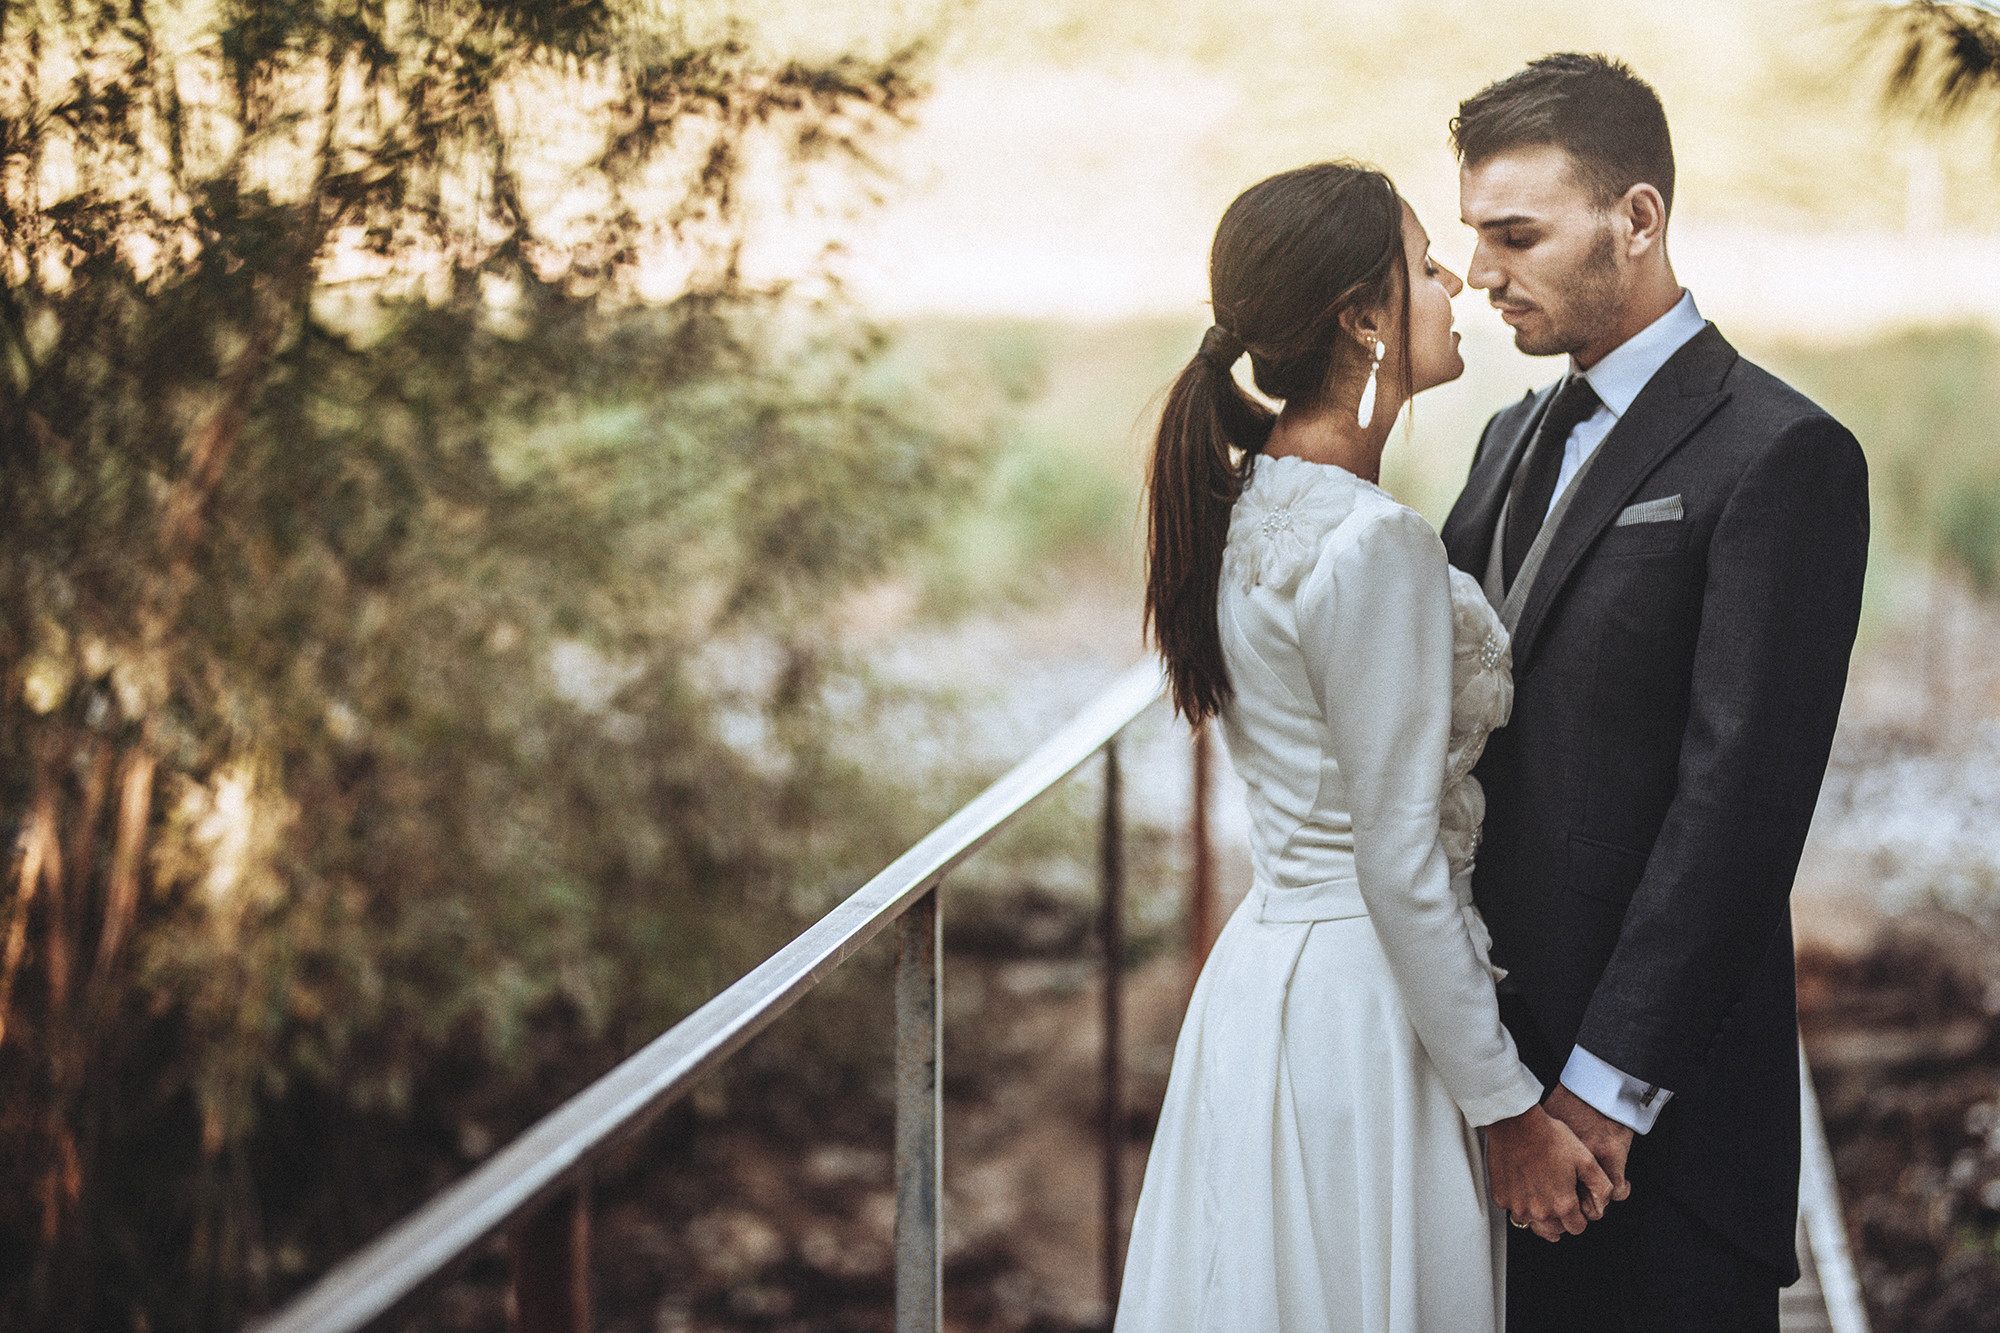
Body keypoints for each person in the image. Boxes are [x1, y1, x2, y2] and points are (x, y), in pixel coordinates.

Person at [1115, 162, 1607, 1333]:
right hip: (1366, 1014)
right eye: (1425, 265)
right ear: (1363, 313)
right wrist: (1507, 1110)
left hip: (1266, 982)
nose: (1452, 285)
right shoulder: (1366, 543)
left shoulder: (1254, 502)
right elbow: (1397, 860)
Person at [1440, 54, 1869, 1331]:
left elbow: (1735, 806)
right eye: (1470, 238)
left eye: (1515, 236)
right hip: (1487, 1097)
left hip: (1652, 1133)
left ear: (1636, 219)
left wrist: (1596, 1090)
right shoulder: (1505, 436)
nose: (1477, 274)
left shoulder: (1780, 454)